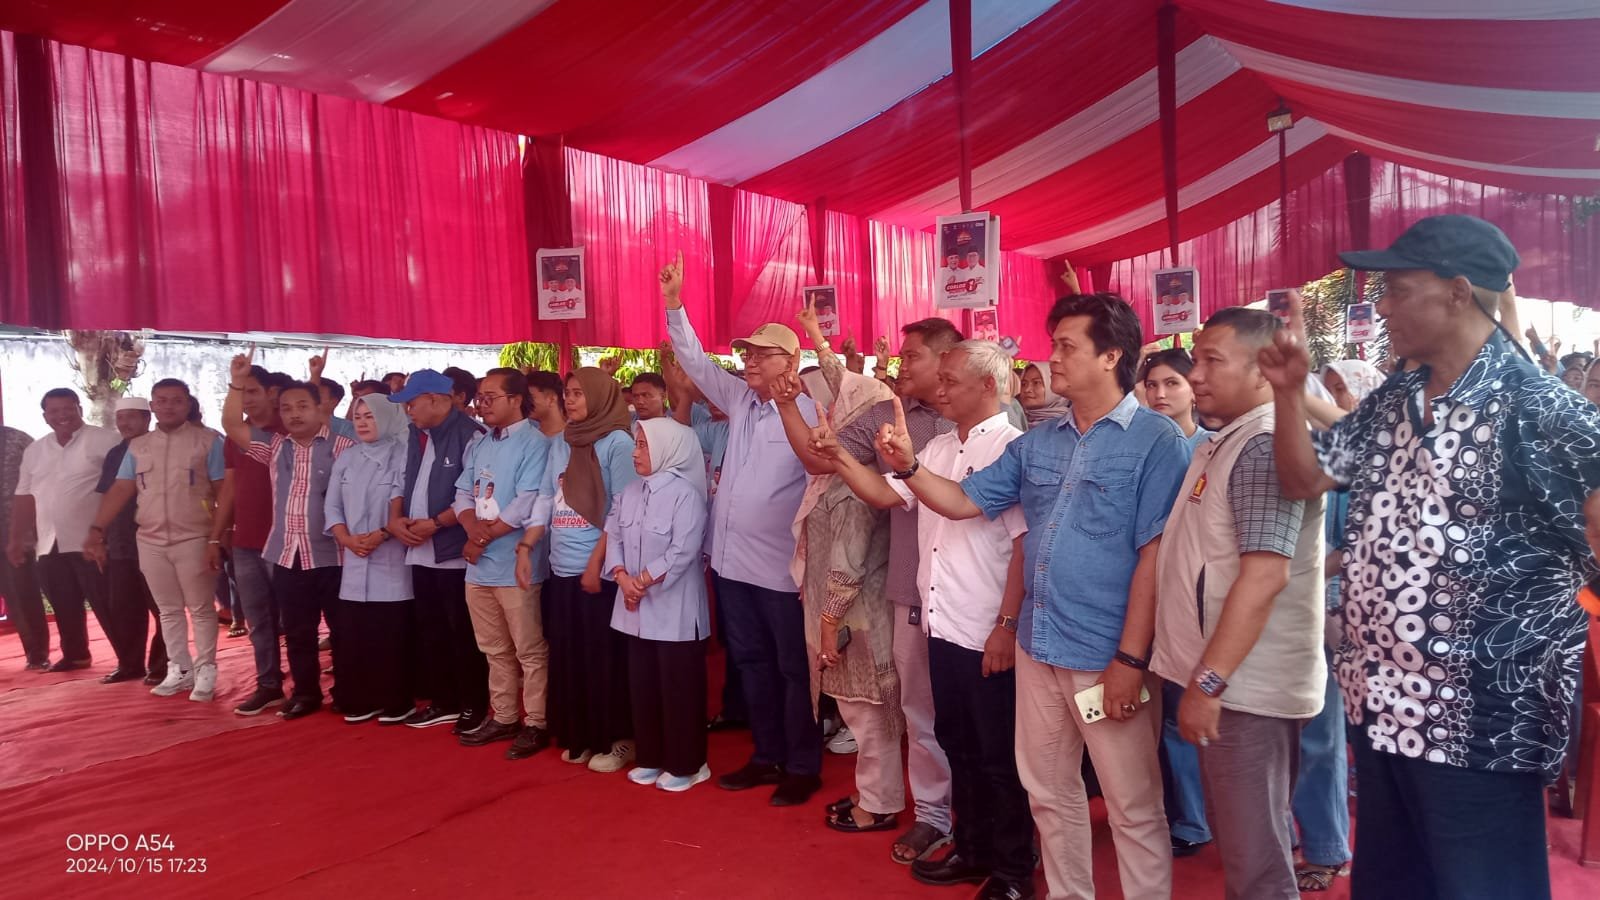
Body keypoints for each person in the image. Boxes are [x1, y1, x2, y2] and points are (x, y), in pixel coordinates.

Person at [1259, 215, 1600, 899]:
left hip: (1480, 723)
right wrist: (1290, 393)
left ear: (1457, 292)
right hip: (1381, 705)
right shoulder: (1394, 401)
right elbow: (1304, 480)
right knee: (1394, 885)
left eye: (1397, 291)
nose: (1382, 308)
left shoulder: (1544, 410)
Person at [887, 292, 1189, 900]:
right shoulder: (1039, 442)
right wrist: (910, 468)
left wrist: (1131, 660)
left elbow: (1156, 558)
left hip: (1106, 657)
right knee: (1048, 792)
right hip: (1038, 647)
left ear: (1111, 356)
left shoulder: (1157, 441)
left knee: (1132, 804)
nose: (1051, 358)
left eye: (1066, 346)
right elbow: (964, 501)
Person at [824, 340, 1037, 900]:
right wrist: (840, 455)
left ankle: (1014, 870)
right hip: (941, 623)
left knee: (998, 756)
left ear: (988, 386)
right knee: (957, 742)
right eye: (938, 379)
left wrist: (1006, 625)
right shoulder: (939, 447)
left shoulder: (1012, 449)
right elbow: (884, 494)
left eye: (949, 381)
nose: (938, 390)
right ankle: (973, 847)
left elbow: (1023, 545)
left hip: (985, 627)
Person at [1151, 308, 1324, 900]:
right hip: (1230, 682)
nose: (1196, 375)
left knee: (1256, 862)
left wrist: (1208, 683)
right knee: (1248, 845)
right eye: (1196, 359)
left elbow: (1265, 575)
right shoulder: (1231, 439)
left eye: (1212, 361)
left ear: (1262, 371)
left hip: (1244, 689)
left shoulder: (1263, 445)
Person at [781, 305, 962, 861]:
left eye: (912, 356)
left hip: (967, 599)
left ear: (949, 362)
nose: (900, 365)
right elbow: (858, 479)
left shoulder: (975, 430)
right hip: (909, 589)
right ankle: (934, 815)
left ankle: (977, 825)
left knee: (971, 717)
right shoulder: (890, 416)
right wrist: (818, 433)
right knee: (921, 714)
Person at [660, 250, 824, 807]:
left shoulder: (809, 412)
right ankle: (766, 754)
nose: (749, 361)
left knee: (793, 670)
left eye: (762, 353)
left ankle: (802, 765)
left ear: (792, 360)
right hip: (730, 565)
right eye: (747, 352)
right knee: (750, 663)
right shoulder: (739, 399)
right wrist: (675, 304)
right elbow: (695, 361)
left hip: (781, 571)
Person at [779, 369, 906, 838]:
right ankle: (871, 793)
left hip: (858, 617)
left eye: (839, 413)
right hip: (848, 613)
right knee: (858, 710)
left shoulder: (856, 482)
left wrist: (829, 621)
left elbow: (849, 563)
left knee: (868, 714)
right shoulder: (840, 476)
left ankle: (880, 804)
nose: (829, 421)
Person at [1290, 358, 1382, 893]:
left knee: (1320, 736)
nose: (1337, 396)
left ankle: (1326, 847)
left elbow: (1354, 547)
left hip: (1329, 611)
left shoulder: (1352, 462)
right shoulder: (1284, 449)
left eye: (1340, 388)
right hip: (1281, 606)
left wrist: (1298, 571)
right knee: (1281, 734)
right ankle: (1286, 835)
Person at [223, 355, 355, 720]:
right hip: (286, 554)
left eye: (302, 406)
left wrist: (315, 377)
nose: (294, 414)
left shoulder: (343, 446)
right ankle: (306, 694)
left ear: (319, 409)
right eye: (287, 408)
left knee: (343, 629)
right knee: (297, 631)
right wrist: (236, 381)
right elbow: (231, 424)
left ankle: (347, 691)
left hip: (333, 555)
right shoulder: (275, 446)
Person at [524, 368, 639, 772]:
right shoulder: (564, 441)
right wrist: (527, 546)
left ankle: (619, 738)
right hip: (562, 567)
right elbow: (545, 496)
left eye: (578, 393)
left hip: (602, 572)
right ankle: (584, 734)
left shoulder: (618, 443)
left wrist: (596, 563)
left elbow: (623, 511)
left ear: (600, 396)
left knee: (605, 657)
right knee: (571, 653)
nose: (569, 400)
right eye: (567, 393)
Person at [85, 380, 228, 701]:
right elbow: (121, 489)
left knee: (201, 608)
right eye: (161, 401)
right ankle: (180, 669)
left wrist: (217, 538)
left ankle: (206, 669)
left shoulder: (208, 441)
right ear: (153, 406)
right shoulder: (138, 446)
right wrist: (97, 529)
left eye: (176, 401)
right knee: (168, 609)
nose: (168, 406)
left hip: (195, 536)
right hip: (149, 538)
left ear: (188, 404)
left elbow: (224, 491)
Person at [603, 417, 711, 792]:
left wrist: (641, 581)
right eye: (636, 444)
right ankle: (650, 757)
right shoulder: (630, 492)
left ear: (668, 448)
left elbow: (683, 550)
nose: (635, 453)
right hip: (634, 607)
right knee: (643, 685)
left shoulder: (686, 495)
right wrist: (622, 577)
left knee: (678, 688)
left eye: (643, 445)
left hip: (674, 610)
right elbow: (614, 536)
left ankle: (688, 764)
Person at [1135, 346, 1213, 859]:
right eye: (1153, 384)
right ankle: (1185, 815)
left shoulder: (1211, 447)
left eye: (1172, 384)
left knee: (1198, 710)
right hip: (1151, 595)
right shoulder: (1146, 446)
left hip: (1199, 596)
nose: (1160, 394)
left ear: (1193, 389)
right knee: (1163, 714)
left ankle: (1201, 816)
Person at [454, 368, 552, 759]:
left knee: (529, 649)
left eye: (490, 397)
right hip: (478, 564)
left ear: (516, 399)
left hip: (516, 564)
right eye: (480, 397)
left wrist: (481, 538)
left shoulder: (535, 442)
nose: (482, 404)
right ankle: (505, 716)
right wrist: (472, 531)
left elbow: (527, 502)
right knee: (493, 648)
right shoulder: (481, 443)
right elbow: (462, 493)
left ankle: (537, 722)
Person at [387, 370, 490, 732]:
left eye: (412, 403)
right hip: (419, 548)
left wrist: (436, 523)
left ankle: (473, 704)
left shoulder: (472, 436)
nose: (409, 410)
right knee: (431, 629)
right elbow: (402, 481)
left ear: (435, 399)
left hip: (453, 551)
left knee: (463, 633)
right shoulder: (416, 434)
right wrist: (396, 519)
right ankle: (444, 700)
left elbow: (475, 495)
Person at [9, 387, 121, 672]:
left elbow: (121, 488)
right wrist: (16, 539)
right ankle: (76, 655)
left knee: (107, 602)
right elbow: (24, 496)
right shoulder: (35, 450)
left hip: (92, 539)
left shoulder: (106, 440)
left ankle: (129, 659)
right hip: (49, 541)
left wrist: (106, 533)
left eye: (68, 408)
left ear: (79, 409)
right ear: (45, 416)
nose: (62, 415)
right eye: (54, 411)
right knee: (63, 602)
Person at [326, 396, 415, 723]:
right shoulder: (347, 457)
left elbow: (404, 504)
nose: (362, 422)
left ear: (387, 418)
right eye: (358, 416)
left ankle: (396, 702)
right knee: (355, 637)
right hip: (353, 561)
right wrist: (345, 538)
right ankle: (360, 699)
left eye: (370, 416)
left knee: (388, 637)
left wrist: (382, 534)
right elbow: (332, 505)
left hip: (390, 562)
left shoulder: (403, 454)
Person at [225, 366, 295, 715]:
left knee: (295, 618)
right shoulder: (236, 437)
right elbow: (229, 487)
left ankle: (306, 685)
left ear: (272, 393)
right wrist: (216, 536)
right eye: (241, 393)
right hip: (246, 541)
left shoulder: (290, 432)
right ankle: (268, 683)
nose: (245, 399)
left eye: (251, 391)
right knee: (257, 620)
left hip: (287, 541)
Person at [91, 397, 166, 684]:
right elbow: (108, 496)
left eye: (132, 417)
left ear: (147, 418)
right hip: (121, 543)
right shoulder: (115, 453)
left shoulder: (161, 447)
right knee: (124, 607)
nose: (125, 423)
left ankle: (162, 666)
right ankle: (130, 664)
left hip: (155, 538)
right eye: (120, 418)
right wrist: (100, 538)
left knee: (162, 607)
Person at [0, 421, 45, 671]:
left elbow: (43, 481)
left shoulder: (18, 440)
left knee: (22, 596)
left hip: (15, 534)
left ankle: (37, 654)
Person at [1018, 361, 1070, 429]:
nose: (1027, 389)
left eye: (1036, 383)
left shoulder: (1067, 426)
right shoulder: (1017, 420)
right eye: (1023, 384)